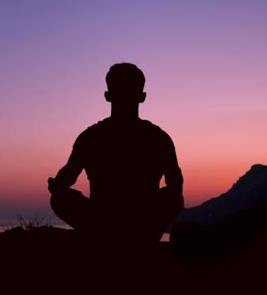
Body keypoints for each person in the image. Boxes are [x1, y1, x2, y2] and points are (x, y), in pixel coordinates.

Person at [48, 63, 184, 245]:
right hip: (144, 221)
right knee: (174, 197)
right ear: (142, 97)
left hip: (100, 219)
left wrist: (55, 185)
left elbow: (66, 179)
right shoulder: (158, 138)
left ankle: (101, 236)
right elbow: (175, 185)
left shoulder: (91, 137)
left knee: (59, 198)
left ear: (108, 96)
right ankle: (142, 237)